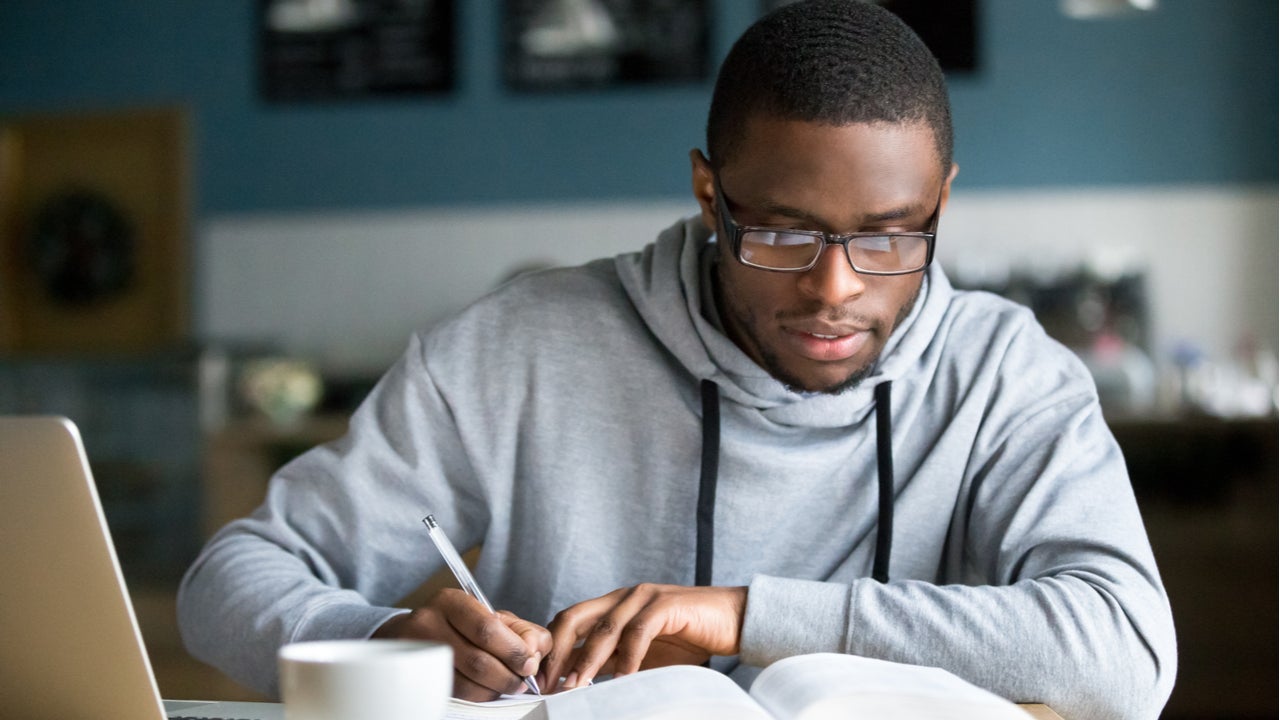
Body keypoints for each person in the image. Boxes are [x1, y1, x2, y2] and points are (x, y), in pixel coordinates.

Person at [178, 2, 1177, 718]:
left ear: (940, 202)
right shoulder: (517, 348)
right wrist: (384, 641)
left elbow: (1127, 648)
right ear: (709, 195)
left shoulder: (1005, 375)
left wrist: (741, 616)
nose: (834, 289)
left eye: (888, 237)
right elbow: (229, 578)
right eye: (782, 233)